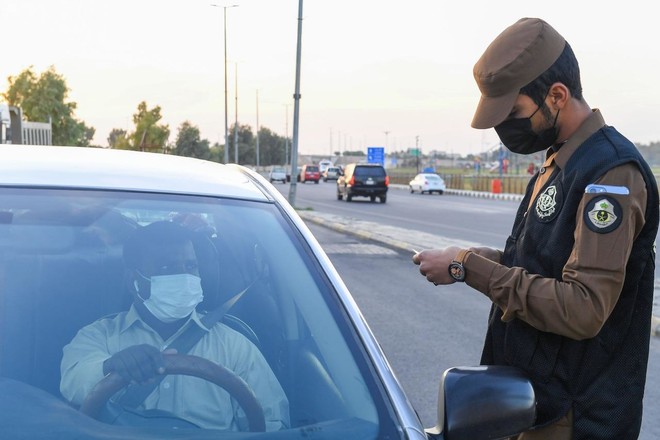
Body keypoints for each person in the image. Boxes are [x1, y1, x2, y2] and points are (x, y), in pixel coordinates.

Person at [413, 17, 658, 439]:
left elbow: (582, 307)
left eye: (514, 112)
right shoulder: (560, 161)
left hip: (574, 418)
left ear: (557, 95)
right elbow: (544, 264)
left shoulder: (611, 174)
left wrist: (467, 267)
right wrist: (476, 260)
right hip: (538, 403)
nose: (505, 128)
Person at [61, 221, 289, 431]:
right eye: (166, 268)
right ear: (133, 281)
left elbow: (271, 425)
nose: (184, 276)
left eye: (191, 266)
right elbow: (74, 383)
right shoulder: (99, 336)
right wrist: (111, 366)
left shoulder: (235, 346)